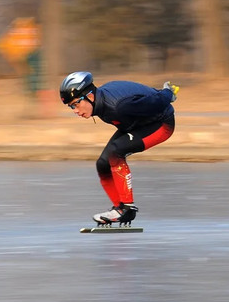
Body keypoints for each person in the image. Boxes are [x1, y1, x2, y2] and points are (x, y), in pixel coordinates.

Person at [59, 71, 178, 226]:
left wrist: (168, 92)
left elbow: (155, 100)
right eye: (71, 107)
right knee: (102, 163)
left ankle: (127, 209)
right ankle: (119, 208)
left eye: (76, 104)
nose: (75, 111)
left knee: (116, 152)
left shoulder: (119, 106)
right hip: (135, 124)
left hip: (161, 125)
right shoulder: (101, 102)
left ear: (90, 96)